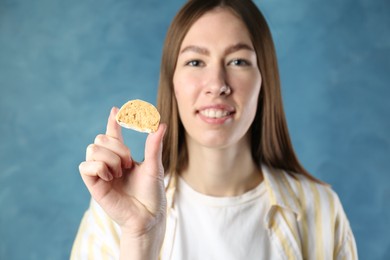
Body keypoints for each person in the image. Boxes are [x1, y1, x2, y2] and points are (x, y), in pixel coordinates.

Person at [71, 0, 358, 259]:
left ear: (263, 80)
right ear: (172, 82)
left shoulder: (320, 208)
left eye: (238, 61)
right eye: (195, 61)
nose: (217, 83)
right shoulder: (113, 214)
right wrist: (140, 236)